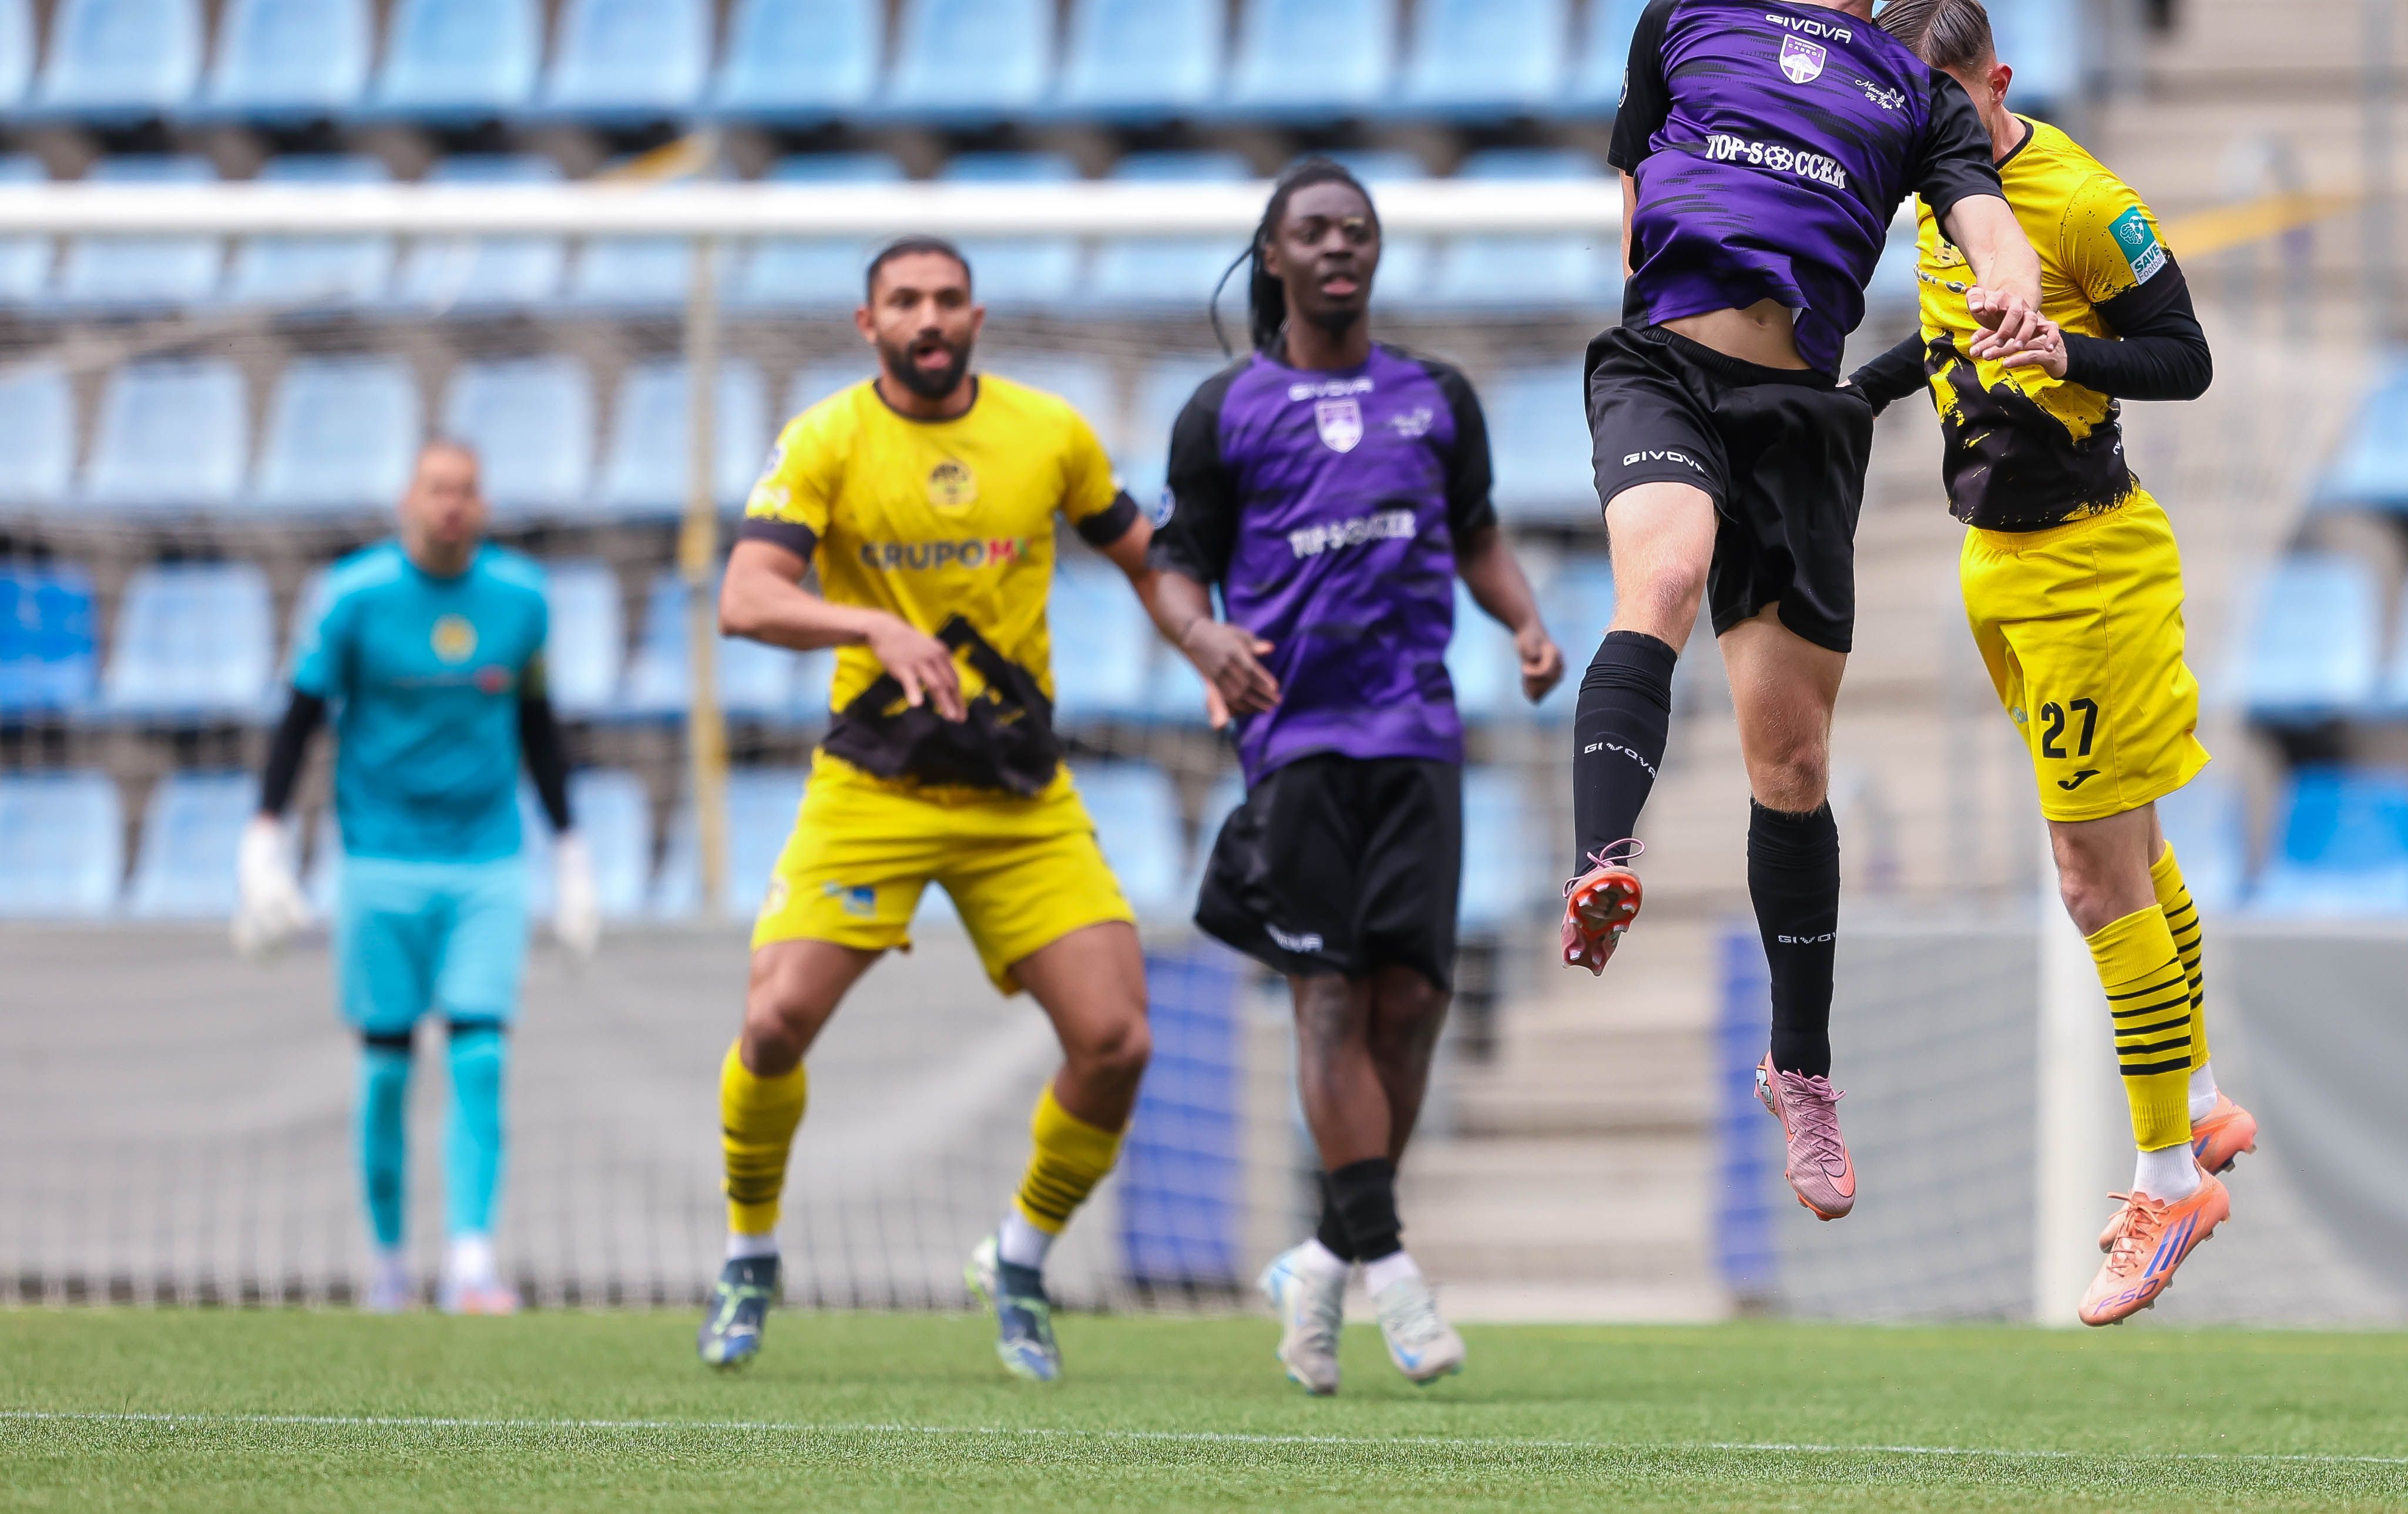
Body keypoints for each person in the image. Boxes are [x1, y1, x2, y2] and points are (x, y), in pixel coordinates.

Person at [1563, 0, 2053, 1227]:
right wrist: (1652, 318)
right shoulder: (1683, 20)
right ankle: (1602, 858)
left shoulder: (1909, 88)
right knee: (1661, 568)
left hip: (1804, 416)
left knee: (1793, 756)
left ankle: (1802, 1065)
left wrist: (2009, 267)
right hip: (1664, 370)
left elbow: (1979, 208)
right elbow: (1634, 183)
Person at [1850, 0, 2256, 1324]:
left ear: (1999, 81)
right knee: (2123, 845)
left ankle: (2164, 1180)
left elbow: (2184, 357)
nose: (1919, 138)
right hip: (1997, 562)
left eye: (1940, 110)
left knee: (2092, 883)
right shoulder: (1936, 193)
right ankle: (2196, 1103)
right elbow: (1951, 334)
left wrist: (2067, 342)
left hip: (2088, 562)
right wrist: (1854, 395)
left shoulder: (2084, 200)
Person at [701, 237, 1167, 1382]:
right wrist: (870, 624)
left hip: (1018, 791)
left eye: (947, 298)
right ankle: (750, 1252)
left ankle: (1018, 1256)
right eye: (904, 299)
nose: (928, 315)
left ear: (977, 314)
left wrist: (1200, 640)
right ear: (868, 323)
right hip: (875, 786)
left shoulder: (1048, 431)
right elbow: (745, 596)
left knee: (1116, 1041)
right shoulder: (826, 439)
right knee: (771, 1025)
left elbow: (1143, 553)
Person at [1148, 157, 1564, 1398]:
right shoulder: (1223, 409)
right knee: (1326, 999)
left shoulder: (1435, 396)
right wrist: (1201, 635)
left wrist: (1525, 622)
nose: (1340, 248)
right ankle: (1387, 1264)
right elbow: (1176, 560)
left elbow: (1476, 530)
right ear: (1271, 256)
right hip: (1297, 741)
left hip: (1418, 732)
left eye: (1359, 231)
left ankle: (1321, 1261)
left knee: (1414, 1001)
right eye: (1315, 231)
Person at [235, 436, 590, 1317]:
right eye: (438, 489)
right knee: (387, 1069)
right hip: (379, 857)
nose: (451, 506)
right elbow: (301, 718)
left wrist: (571, 850)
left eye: (467, 490)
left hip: (486, 860)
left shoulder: (520, 599)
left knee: (480, 1053)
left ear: (484, 503)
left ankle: (470, 1258)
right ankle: (388, 1260)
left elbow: (539, 724)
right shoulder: (354, 597)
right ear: (408, 498)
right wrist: (264, 839)